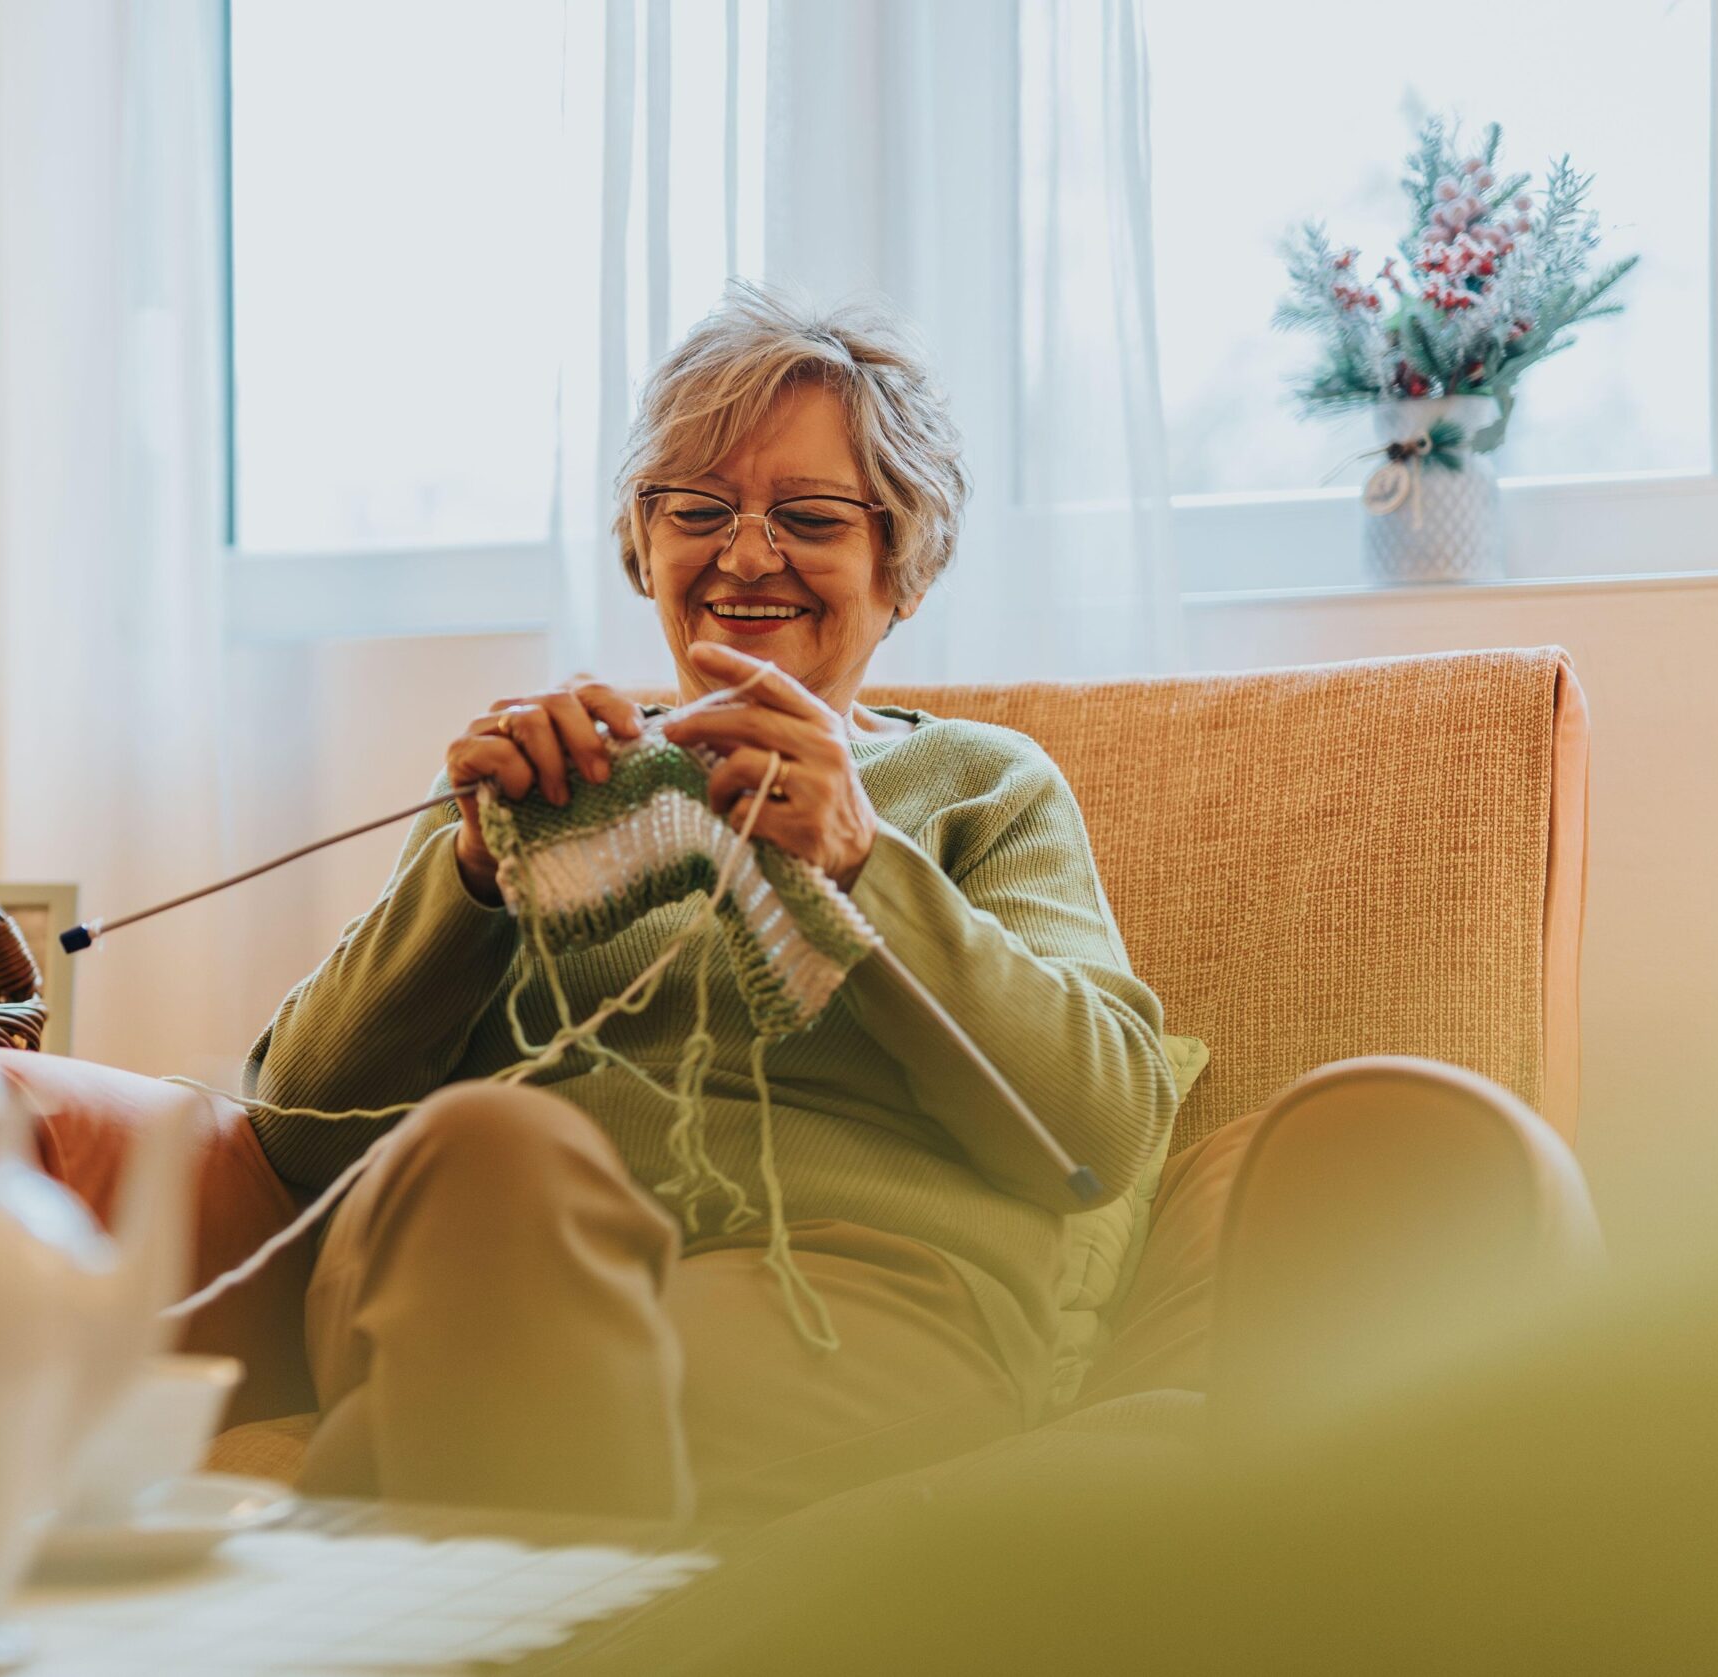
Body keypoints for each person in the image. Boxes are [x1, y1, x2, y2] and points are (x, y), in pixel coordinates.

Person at [65, 283, 1178, 1522]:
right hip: (483, 1268)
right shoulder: (545, 785)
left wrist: (866, 863)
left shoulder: (980, 786)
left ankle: (396, 1534)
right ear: (643, 546)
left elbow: (1098, 1133)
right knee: (488, 1144)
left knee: (476, 1407)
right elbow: (303, 1126)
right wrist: (471, 875)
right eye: (696, 510)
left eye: (808, 517)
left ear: (901, 565)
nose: (745, 554)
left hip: (843, 1292)